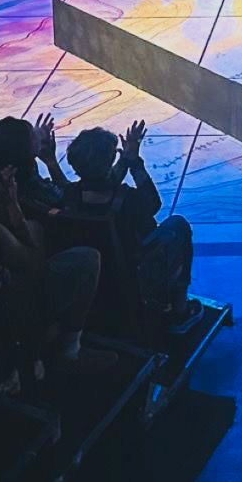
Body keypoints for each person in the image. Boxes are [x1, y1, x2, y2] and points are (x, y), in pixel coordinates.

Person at [61, 120, 197, 331]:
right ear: (109, 162)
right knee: (178, 225)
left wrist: (126, 159)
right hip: (133, 273)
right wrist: (134, 162)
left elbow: (102, 181)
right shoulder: (127, 201)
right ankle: (180, 311)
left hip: (96, 270)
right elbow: (154, 203)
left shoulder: (69, 195)